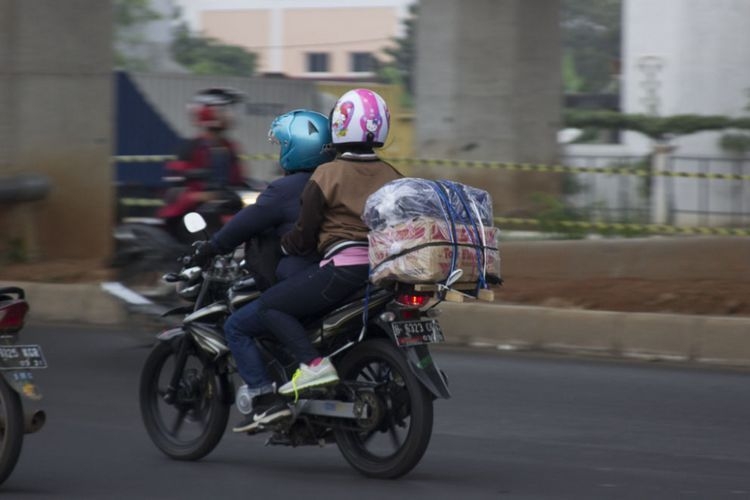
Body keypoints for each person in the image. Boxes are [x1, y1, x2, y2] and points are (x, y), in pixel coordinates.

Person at [231, 88, 402, 433]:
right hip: (382, 270)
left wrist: (286, 247)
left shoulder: (326, 174)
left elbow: (304, 235)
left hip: (342, 269)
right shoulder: (393, 175)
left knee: (268, 307)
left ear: (339, 126)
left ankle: (312, 364)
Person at [190, 110, 335, 428]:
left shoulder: (285, 190)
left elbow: (241, 226)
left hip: (303, 281)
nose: (279, 151)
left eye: (282, 144)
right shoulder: (335, 179)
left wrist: (209, 249)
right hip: (338, 278)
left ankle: (265, 399)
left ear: (296, 147)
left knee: (238, 325)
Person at [158, 87, 247, 240]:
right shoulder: (190, 148)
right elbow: (176, 187)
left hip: (225, 206)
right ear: (208, 112)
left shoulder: (229, 147)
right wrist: (203, 195)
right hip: (193, 213)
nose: (230, 115)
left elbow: (239, 179)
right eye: (224, 110)